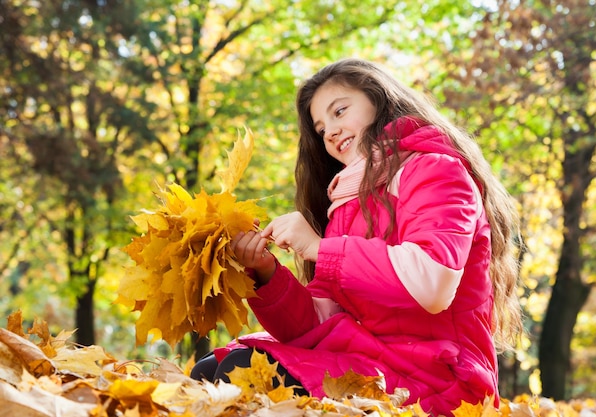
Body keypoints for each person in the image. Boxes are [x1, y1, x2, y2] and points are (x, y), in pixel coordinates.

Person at [190, 57, 523, 415]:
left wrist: (320, 248)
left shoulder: (435, 169)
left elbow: (433, 282)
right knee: (209, 370)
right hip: (369, 360)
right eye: (320, 129)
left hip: (441, 379)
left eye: (339, 111)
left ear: (379, 100)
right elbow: (321, 322)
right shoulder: (346, 205)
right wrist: (267, 272)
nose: (330, 131)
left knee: (238, 375)